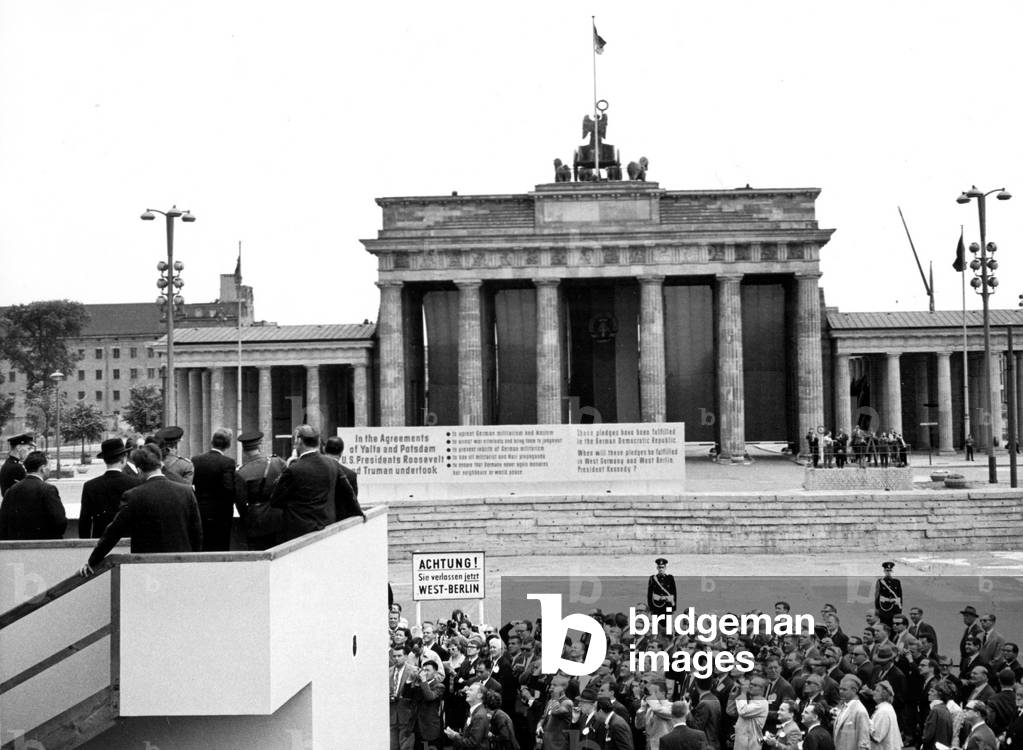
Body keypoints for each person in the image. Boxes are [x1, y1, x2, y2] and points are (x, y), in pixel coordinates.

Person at [79, 444, 202, 575]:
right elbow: (197, 531)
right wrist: (194, 559)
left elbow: (113, 533)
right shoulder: (186, 491)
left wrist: (92, 561)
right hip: (180, 560)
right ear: (160, 464)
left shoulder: (133, 496)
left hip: (146, 564)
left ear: (139, 469)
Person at [269, 424, 336, 542]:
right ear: (318, 441)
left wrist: (289, 464)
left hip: (298, 530)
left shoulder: (294, 469)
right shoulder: (331, 464)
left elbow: (275, 500)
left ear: (299, 441)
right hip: (324, 526)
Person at [234, 430, 287, 550]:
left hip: (256, 520)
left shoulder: (242, 473)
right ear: (259, 446)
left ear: (244, 451)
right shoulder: (277, 462)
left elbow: (241, 503)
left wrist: (247, 517)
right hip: (279, 516)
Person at [190, 428, 240, 551]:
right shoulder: (228, 462)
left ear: (212, 442)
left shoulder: (196, 460)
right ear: (228, 444)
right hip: (221, 512)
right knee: (220, 545)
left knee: (203, 545)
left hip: (200, 509)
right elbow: (228, 488)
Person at [79, 438, 138, 537]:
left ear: (105, 460)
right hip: (128, 543)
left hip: (100, 542)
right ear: (124, 458)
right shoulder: (135, 483)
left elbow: (84, 522)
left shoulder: (90, 486)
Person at [0, 450, 66, 539]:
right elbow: (60, 521)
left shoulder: (10, 491)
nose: (50, 469)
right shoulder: (48, 490)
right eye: (49, 466)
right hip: (45, 545)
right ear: (42, 468)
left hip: (17, 546)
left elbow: (3, 523)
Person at [323, 435, 364, 522]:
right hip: (341, 523)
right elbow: (352, 502)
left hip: (320, 523)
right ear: (341, 453)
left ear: (324, 449)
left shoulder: (316, 470)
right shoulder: (350, 475)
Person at [389, 645, 419, 750]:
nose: (396, 658)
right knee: (392, 746)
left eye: (399, 656)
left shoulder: (414, 671)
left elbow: (416, 692)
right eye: (394, 656)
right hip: (391, 713)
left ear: (406, 656)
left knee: (406, 747)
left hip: (407, 713)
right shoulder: (388, 671)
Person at [445, 681, 490, 748]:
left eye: (470, 690)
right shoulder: (474, 711)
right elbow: (469, 734)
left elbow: (472, 743)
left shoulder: (479, 715)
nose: (466, 692)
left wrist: (454, 736)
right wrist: (456, 734)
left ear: (479, 695)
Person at [415, 657, 446, 749]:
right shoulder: (419, 683)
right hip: (417, 725)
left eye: (427, 670)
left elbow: (430, 697)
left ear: (435, 673)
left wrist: (423, 681)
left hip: (430, 726)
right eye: (423, 670)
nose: (424, 673)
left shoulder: (439, 686)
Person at [833, 675, 871, 750]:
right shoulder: (843, 707)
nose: (840, 692)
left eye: (844, 689)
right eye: (840, 689)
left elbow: (864, 741)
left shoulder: (860, 711)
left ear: (854, 690)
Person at [868, 681, 902, 750]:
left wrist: (864, 721)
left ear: (884, 694)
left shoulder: (883, 711)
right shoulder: (886, 708)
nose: (874, 692)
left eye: (877, 691)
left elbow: (876, 737)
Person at [0, 432, 34, 496]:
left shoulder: (8, 463)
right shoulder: (16, 467)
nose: (30, 452)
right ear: (18, 447)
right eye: (28, 449)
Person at [874, 562, 903, 627]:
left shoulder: (897, 582)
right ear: (884, 571)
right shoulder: (880, 581)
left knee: (895, 626)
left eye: (890, 571)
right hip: (884, 608)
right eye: (887, 570)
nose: (888, 572)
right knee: (884, 625)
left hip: (895, 608)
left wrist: (900, 608)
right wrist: (877, 608)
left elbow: (900, 595)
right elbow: (877, 595)